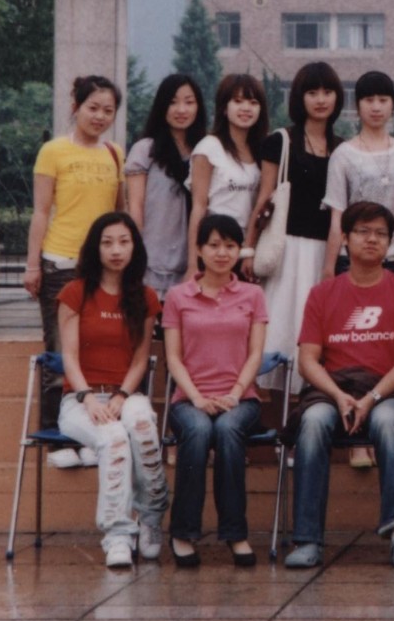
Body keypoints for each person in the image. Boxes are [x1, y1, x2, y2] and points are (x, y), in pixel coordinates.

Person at [284, 201, 394, 571]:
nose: (372, 239)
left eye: (381, 234)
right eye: (363, 232)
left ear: (390, 243)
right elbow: (307, 360)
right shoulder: (323, 293)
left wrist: (371, 397)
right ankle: (307, 538)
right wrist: (338, 396)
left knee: (388, 420)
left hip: (389, 390)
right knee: (313, 421)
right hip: (333, 389)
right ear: (345, 238)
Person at [54, 212, 168, 569]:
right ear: (95, 248)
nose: (116, 250)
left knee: (142, 425)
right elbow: (69, 357)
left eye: (123, 242)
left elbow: (140, 359)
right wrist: (87, 397)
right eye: (107, 243)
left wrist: (121, 396)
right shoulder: (75, 293)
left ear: (135, 247)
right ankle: (118, 536)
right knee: (114, 438)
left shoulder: (145, 297)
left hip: (126, 394)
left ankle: (150, 517)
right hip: (80, 399)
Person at [25, 75, 127, 458]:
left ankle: (90, 436)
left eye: (108, 110)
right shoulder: (53, 151)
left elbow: (119, 213)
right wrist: (32, 265)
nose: (100, 116)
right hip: (61, 264)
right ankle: (57, 439)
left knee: (97, 354)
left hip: (103, 268)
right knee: (58, 352)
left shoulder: (115, 153)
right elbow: (41, 212)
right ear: (75, 107)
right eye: (93, 108)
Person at [162, 214, 268, 568]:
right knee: (197, 430)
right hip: (189, 400)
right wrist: (197, 397)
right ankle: (183, 533)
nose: (222, 253)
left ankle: (235, 534)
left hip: (241, 400)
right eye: (214, 245)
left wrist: (235, 393)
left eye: (230, 246)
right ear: (199, 250)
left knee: (226, 429)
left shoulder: (253, 294)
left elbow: (255, 354)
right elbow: (173, 358)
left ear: (239, 251)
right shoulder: (178, 296)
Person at [247, 63, 342, 387]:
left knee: (316, 332)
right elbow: (263, 199)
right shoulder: (282, 140)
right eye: (312, 92)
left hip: (326, 254)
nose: (320, 99)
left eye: (327, 92)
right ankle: (272, 406)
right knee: (280, 329)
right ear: (300, 98)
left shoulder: (342, 148)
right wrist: (248, 249)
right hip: (286, 250)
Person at [323, 70, 394, 278]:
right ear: (357, 106)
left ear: (393, 106)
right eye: (369, 100)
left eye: (383, 100)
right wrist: (328, 267)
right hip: (353, 260)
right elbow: (337, 217)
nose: (376, 107)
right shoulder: (343, 154)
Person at [126, 74, 207, 295]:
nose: (181, 110)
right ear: (162, 106)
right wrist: (135, 255)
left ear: (198, 107)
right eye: (173, 102)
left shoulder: (205, 152)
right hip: (150, 262)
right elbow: (135, 207)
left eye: (189, 102)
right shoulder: (146, 150)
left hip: (193, 263)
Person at [188, 73, 267, 254]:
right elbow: (198, 207)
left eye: (253, 102)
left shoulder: (262, 150)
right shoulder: (209, 148)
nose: (246, 108)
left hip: (249, 248)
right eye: (238, 101)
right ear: (224, 108)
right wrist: (193, 261)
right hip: (217, 247)